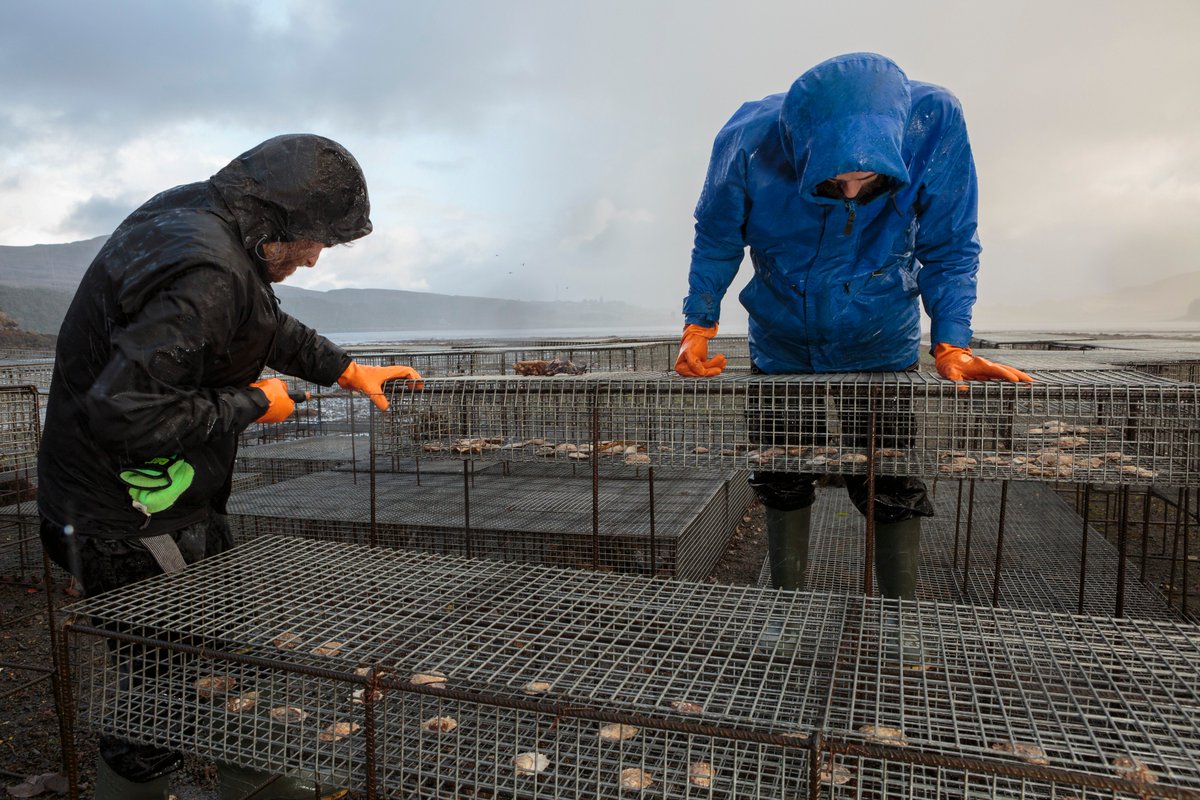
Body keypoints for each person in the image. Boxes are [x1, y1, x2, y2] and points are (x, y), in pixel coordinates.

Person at [38, 134, 420, 800]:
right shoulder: (206, 267)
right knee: (159, 688)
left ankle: (261, 777)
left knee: (229, 646)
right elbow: (120, 412)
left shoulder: (208, 221)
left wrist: (346, 369)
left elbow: (261, 323)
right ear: (276, 226)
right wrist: (255, 403)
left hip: (165, 502)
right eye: (315, 241)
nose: (316, 257)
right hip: (124, 515)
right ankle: (147, 789)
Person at [675, 53, 1031, 604]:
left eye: (865, 178)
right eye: (834, 178)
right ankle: (786, 604)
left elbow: (950, 245)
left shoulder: (932, 122)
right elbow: (718, 235)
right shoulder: (748, 137)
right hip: (782, 334)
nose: (849, 192)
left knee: (888, 474)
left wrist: (951, 338)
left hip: (879, 334)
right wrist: (698, 321)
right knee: (782, 469)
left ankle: (898, 614)